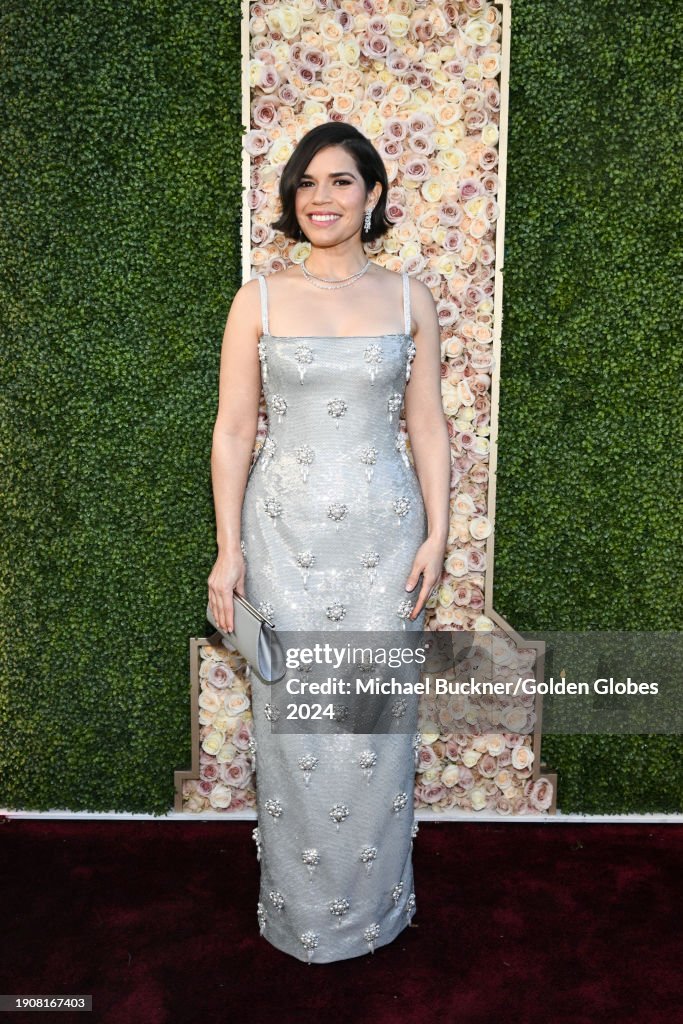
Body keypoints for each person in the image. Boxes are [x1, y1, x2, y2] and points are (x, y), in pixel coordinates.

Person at [208, 121, 451, 963]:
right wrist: (227, 550)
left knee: (373, 726)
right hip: (283, 539)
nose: (322, 197)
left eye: (341, 181)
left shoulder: (408, 296)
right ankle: (303, 916)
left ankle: (374, 913)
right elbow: (234, 431)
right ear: (291, 198)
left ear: (373, 195)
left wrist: (439, 534)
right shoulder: (260, 299)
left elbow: (427, 425)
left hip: (388, 543)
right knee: (295, 729)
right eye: (307, 183)